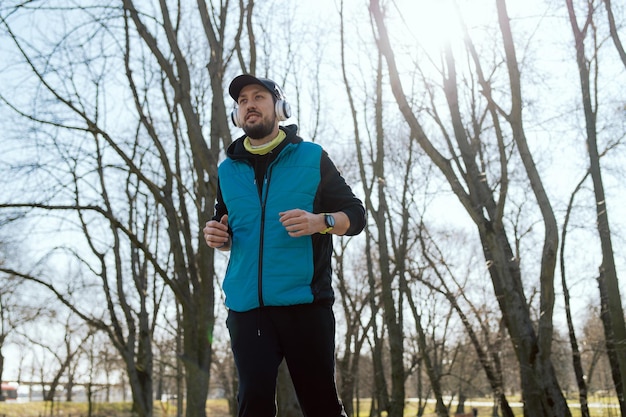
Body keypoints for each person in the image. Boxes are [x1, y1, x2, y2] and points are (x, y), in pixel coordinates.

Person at [203, 74, 366, 417]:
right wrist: (219, 238)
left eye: (258, 96)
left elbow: (356, 214)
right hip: (248, 308)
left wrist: (321, 221)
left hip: (304, 303)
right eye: (242, 100)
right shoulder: (227, 171)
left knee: (321, 405)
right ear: (237, 113)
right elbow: (226, 225)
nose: (249, 104)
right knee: (253, 405)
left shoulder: (311, 157)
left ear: (280, 107)